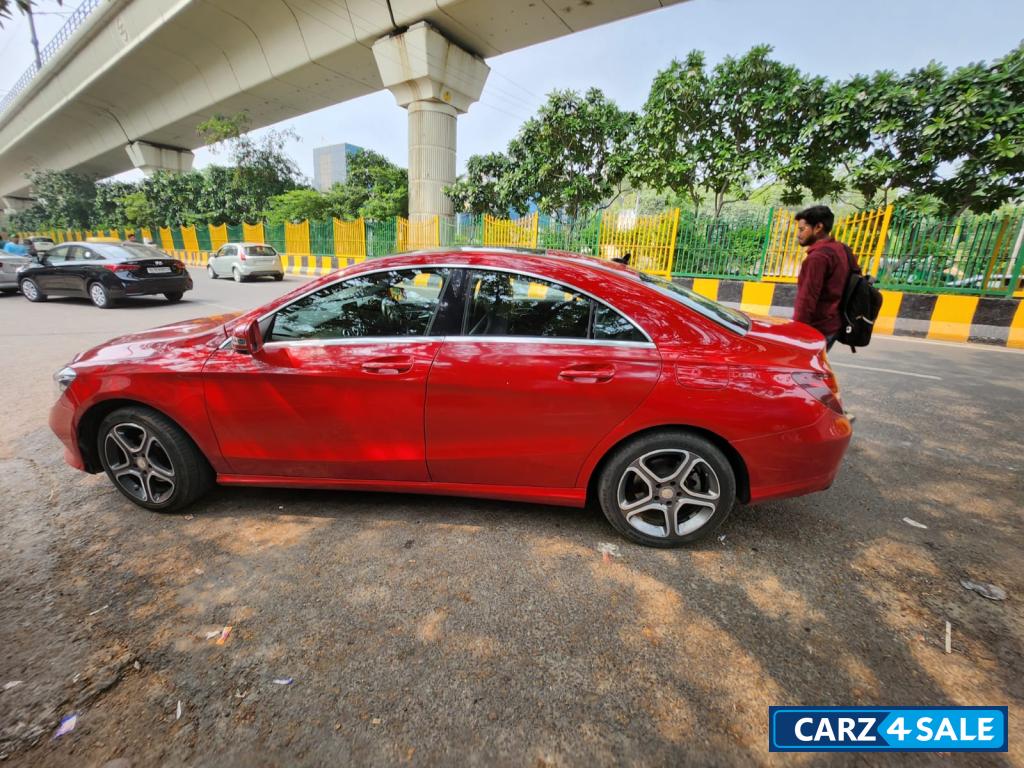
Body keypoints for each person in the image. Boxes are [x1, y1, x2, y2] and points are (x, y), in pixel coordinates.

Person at [793, 205, 859, 351]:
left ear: (818, 227)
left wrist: (796, 331)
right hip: (834, 324)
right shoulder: (843, 249)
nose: (798, 234)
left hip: (817, 328)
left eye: (802, 229)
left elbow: (806, 299)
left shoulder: (817, 258)